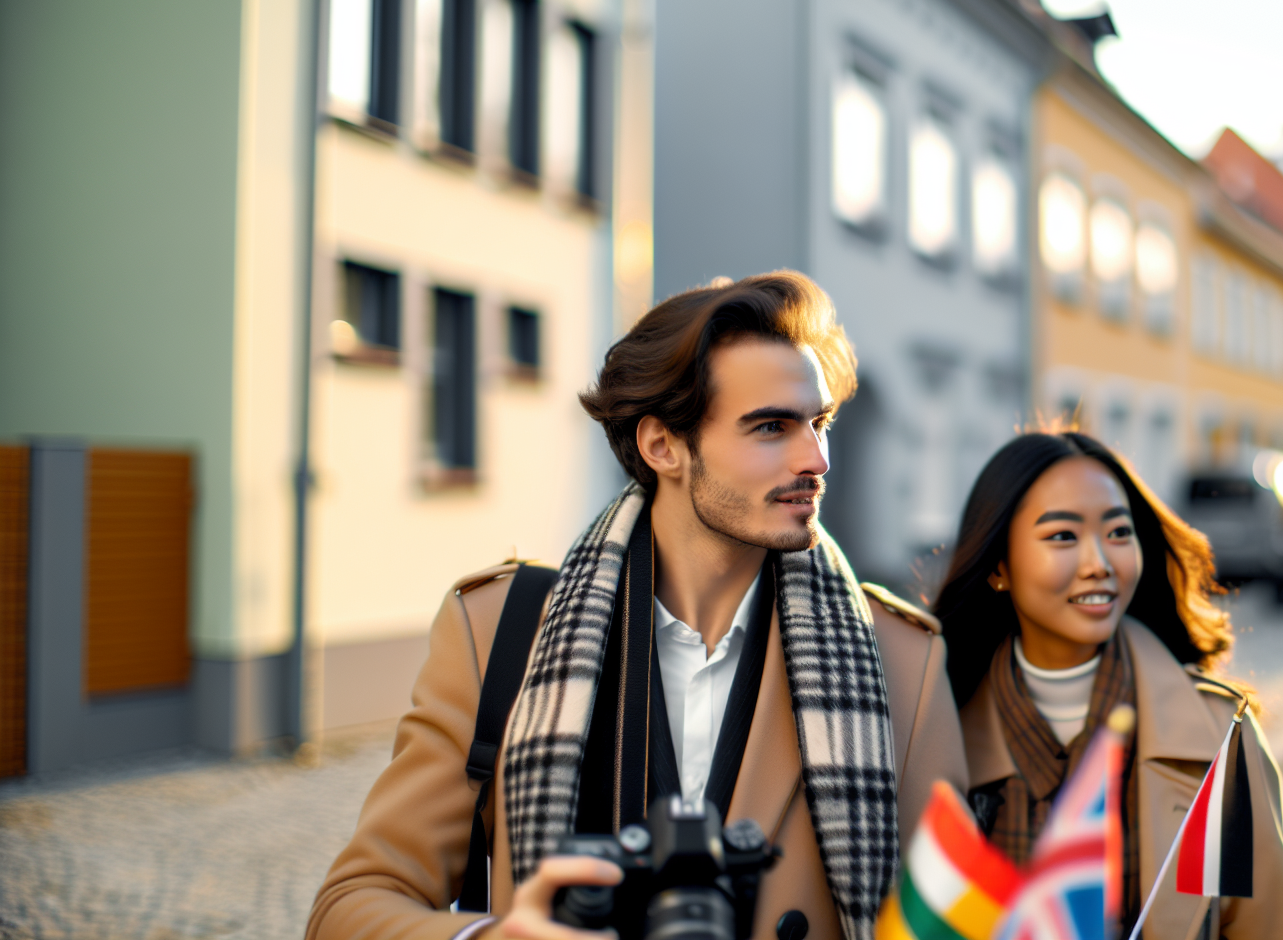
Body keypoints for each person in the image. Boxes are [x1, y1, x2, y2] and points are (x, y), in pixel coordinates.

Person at [308, 272, 967, 940]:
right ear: (663, 447)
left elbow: (951, 925)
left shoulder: (902, 660)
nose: (816, 458)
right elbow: (352, 905)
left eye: (819, 423)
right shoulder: (500, 633)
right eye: (772, 427)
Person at [934, 430, 1283, 940]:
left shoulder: (1220, 739)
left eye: (1117, 533)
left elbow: (1264, 928)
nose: (1099, 565)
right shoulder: (933, 734)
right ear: (999, 567)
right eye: (1063, 536)